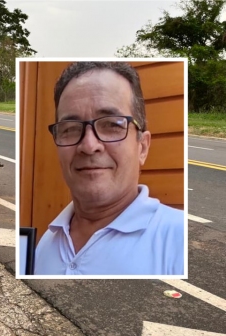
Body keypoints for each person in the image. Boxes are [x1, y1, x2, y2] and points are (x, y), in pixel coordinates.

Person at [34, 62, 184, 276]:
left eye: (112, 125)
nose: (88, 145)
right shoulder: (48, 242)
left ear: (142, 147)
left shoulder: (178, 242)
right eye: (70, 129)